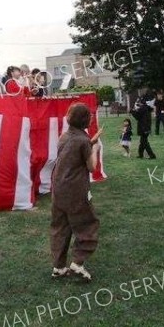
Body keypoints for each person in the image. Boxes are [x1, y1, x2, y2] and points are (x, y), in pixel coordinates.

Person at [50, 103, 103, 281]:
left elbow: (73, 152)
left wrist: (90, 142)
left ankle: (59, 267)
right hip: (76, 190)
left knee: (60, 227)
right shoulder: (83, 140)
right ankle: (78, 263)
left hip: (58, 188)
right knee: (87, 224)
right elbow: (91, 166)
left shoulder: (64, 136)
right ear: (86, 120)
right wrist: (94, 148)